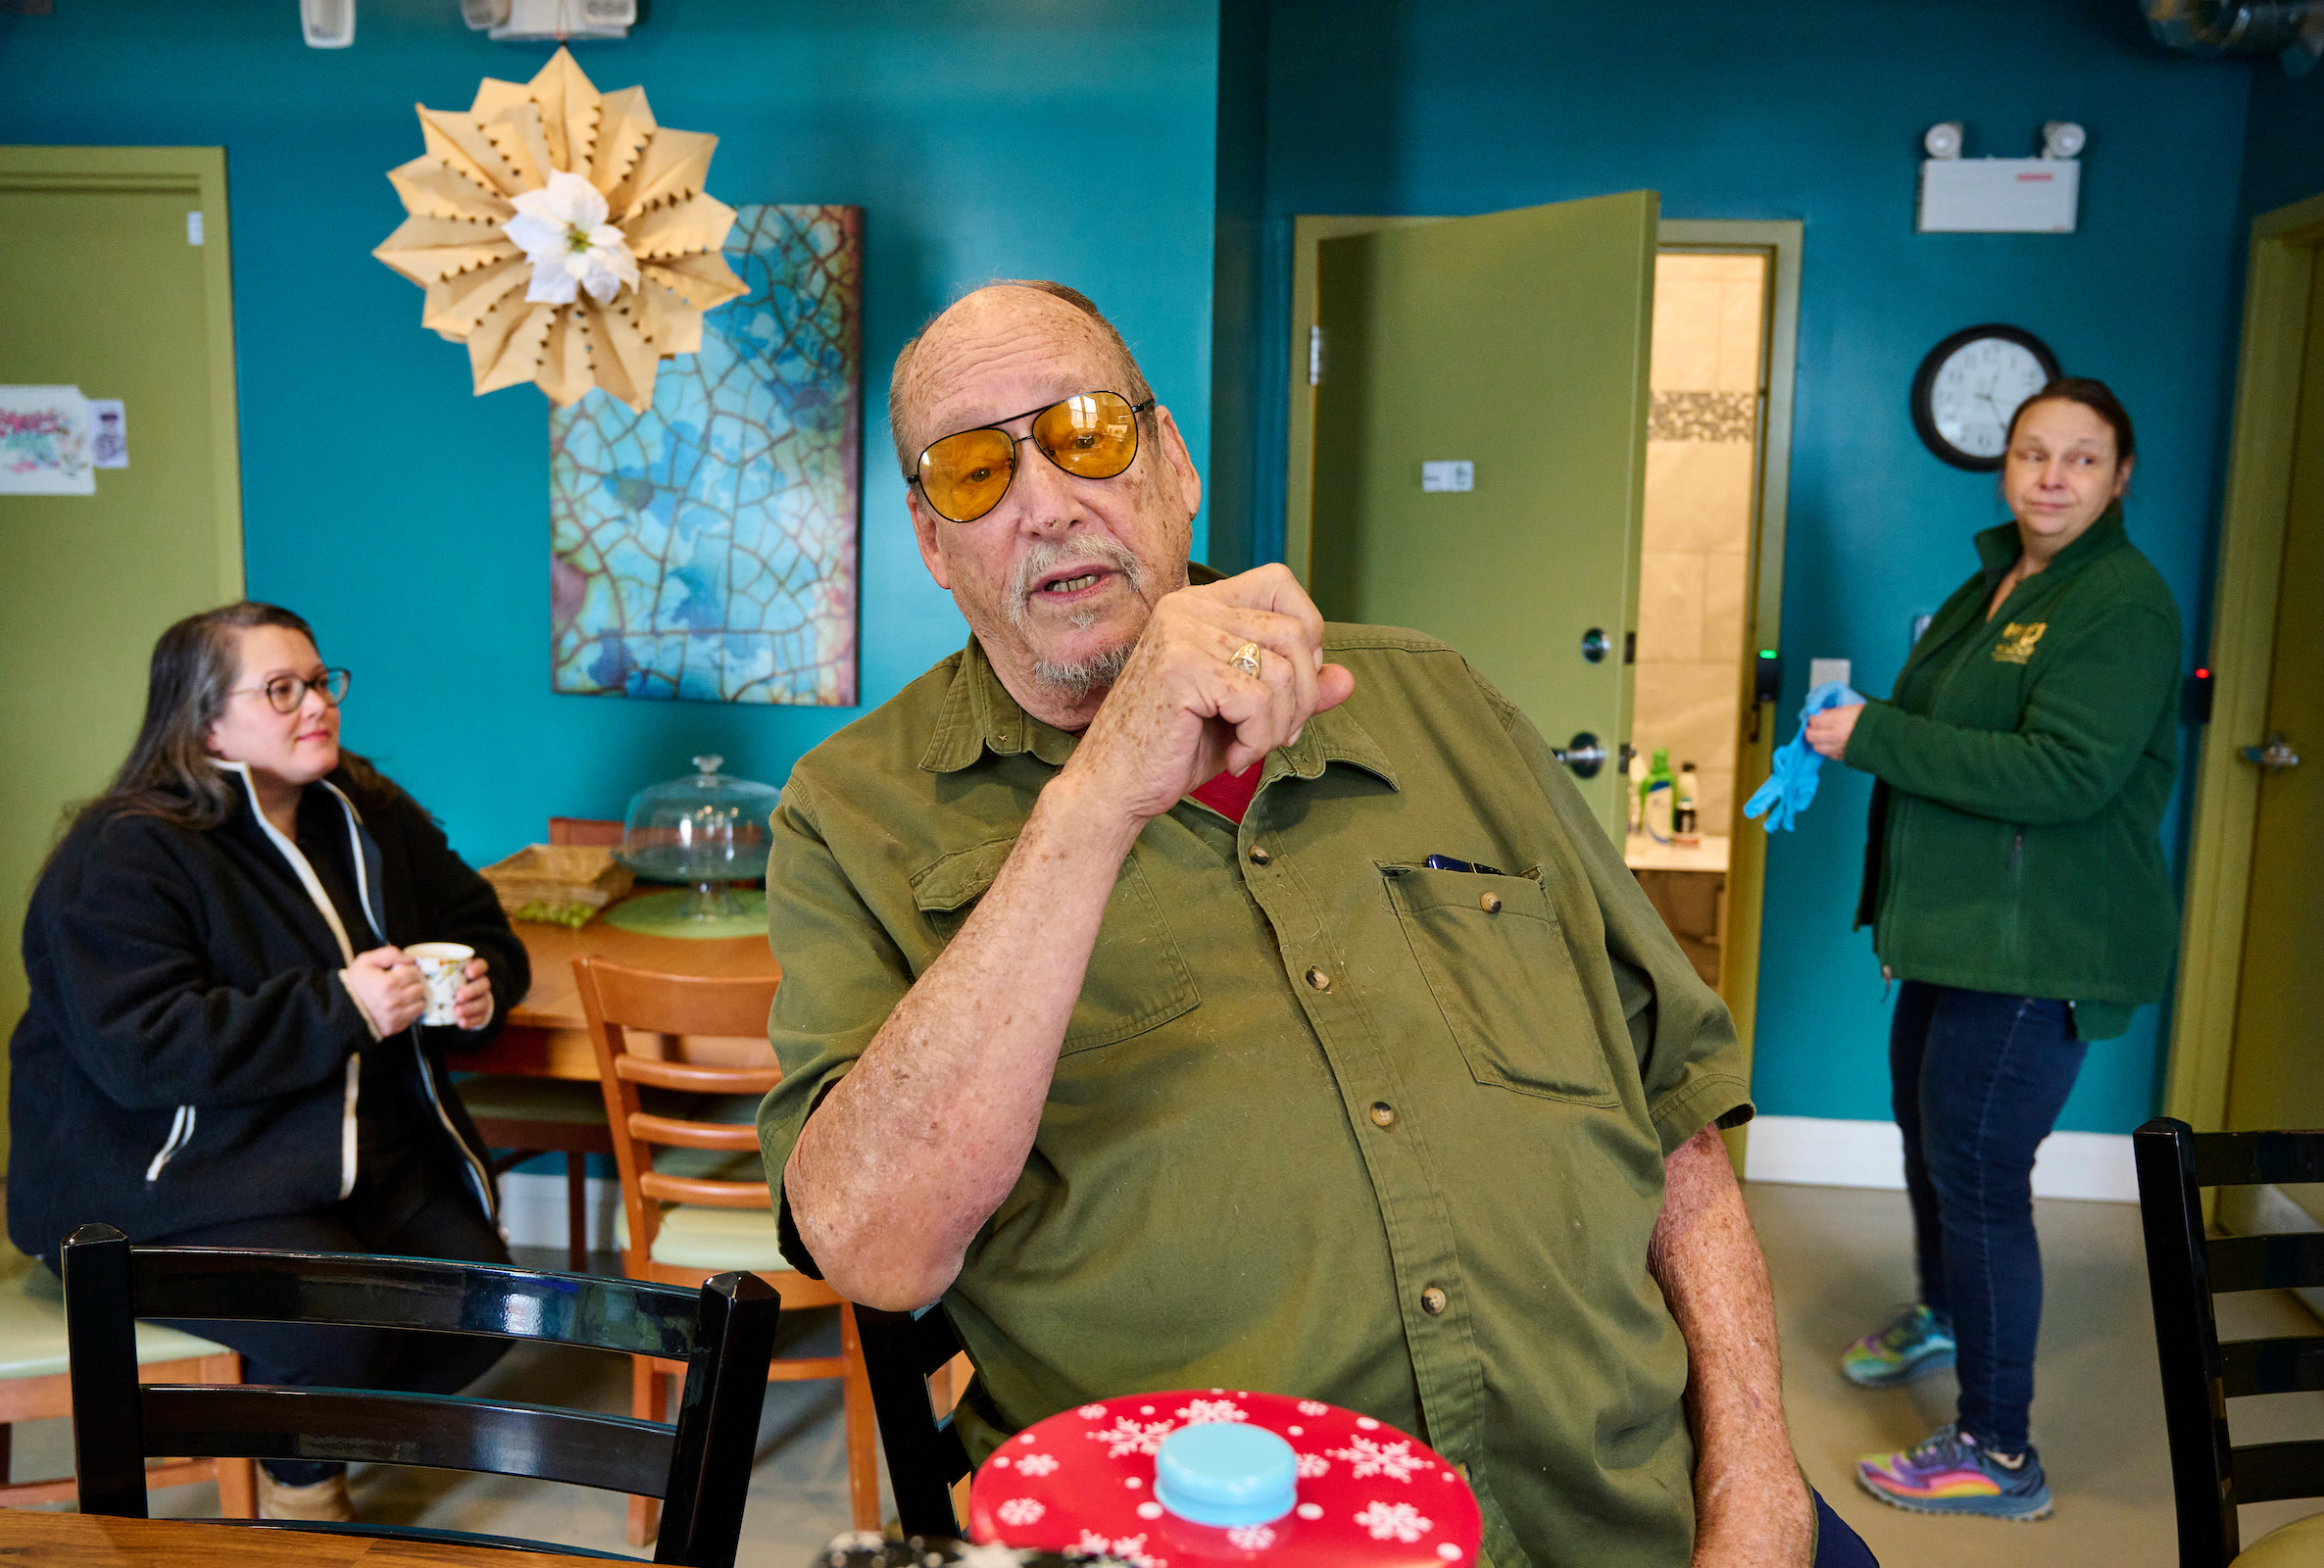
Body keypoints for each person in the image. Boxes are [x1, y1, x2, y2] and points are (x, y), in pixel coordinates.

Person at [760, 281, 1877, 1568]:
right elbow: (875, 1250)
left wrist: (1755, 1479)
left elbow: (1671, 1110)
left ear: (1171, 460)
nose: (1047, 503)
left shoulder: (1438, 700)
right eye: (971, 472)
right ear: (928, 540)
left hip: (1624, 1512)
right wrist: (1093, 803)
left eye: (1085, 433)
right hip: (1219, 1540)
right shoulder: (854, 815)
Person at [7, 601, 529, 1523]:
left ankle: (280, 1416)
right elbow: (144, 1049)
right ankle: (299, 1488)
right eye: (281, 689)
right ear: (205, 721)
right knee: (336, 1329)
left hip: (342, 1163)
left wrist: (483, 990)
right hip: (165, 1185)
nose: (316, 705)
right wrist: (344, 1005)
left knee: (489, 1304)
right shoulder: (124, 853)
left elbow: (477, 925)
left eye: (322, 683)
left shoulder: (363, 809)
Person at [1804, 379, 2181, 1520]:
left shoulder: (2122, 603)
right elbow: (1951, 754)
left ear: (2119, 478)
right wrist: (1901, 916)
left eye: (2080, 459)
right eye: (2032, 454)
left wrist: (1873, 731)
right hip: (1959, 937)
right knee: (1931, 1143)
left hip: (2035, 949)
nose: (2051, 477)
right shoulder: (2003, 581)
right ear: (2005, 466)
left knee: (1978, 1180)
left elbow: (2067, 774)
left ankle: (1999, 1451)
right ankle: (1947, 1312)